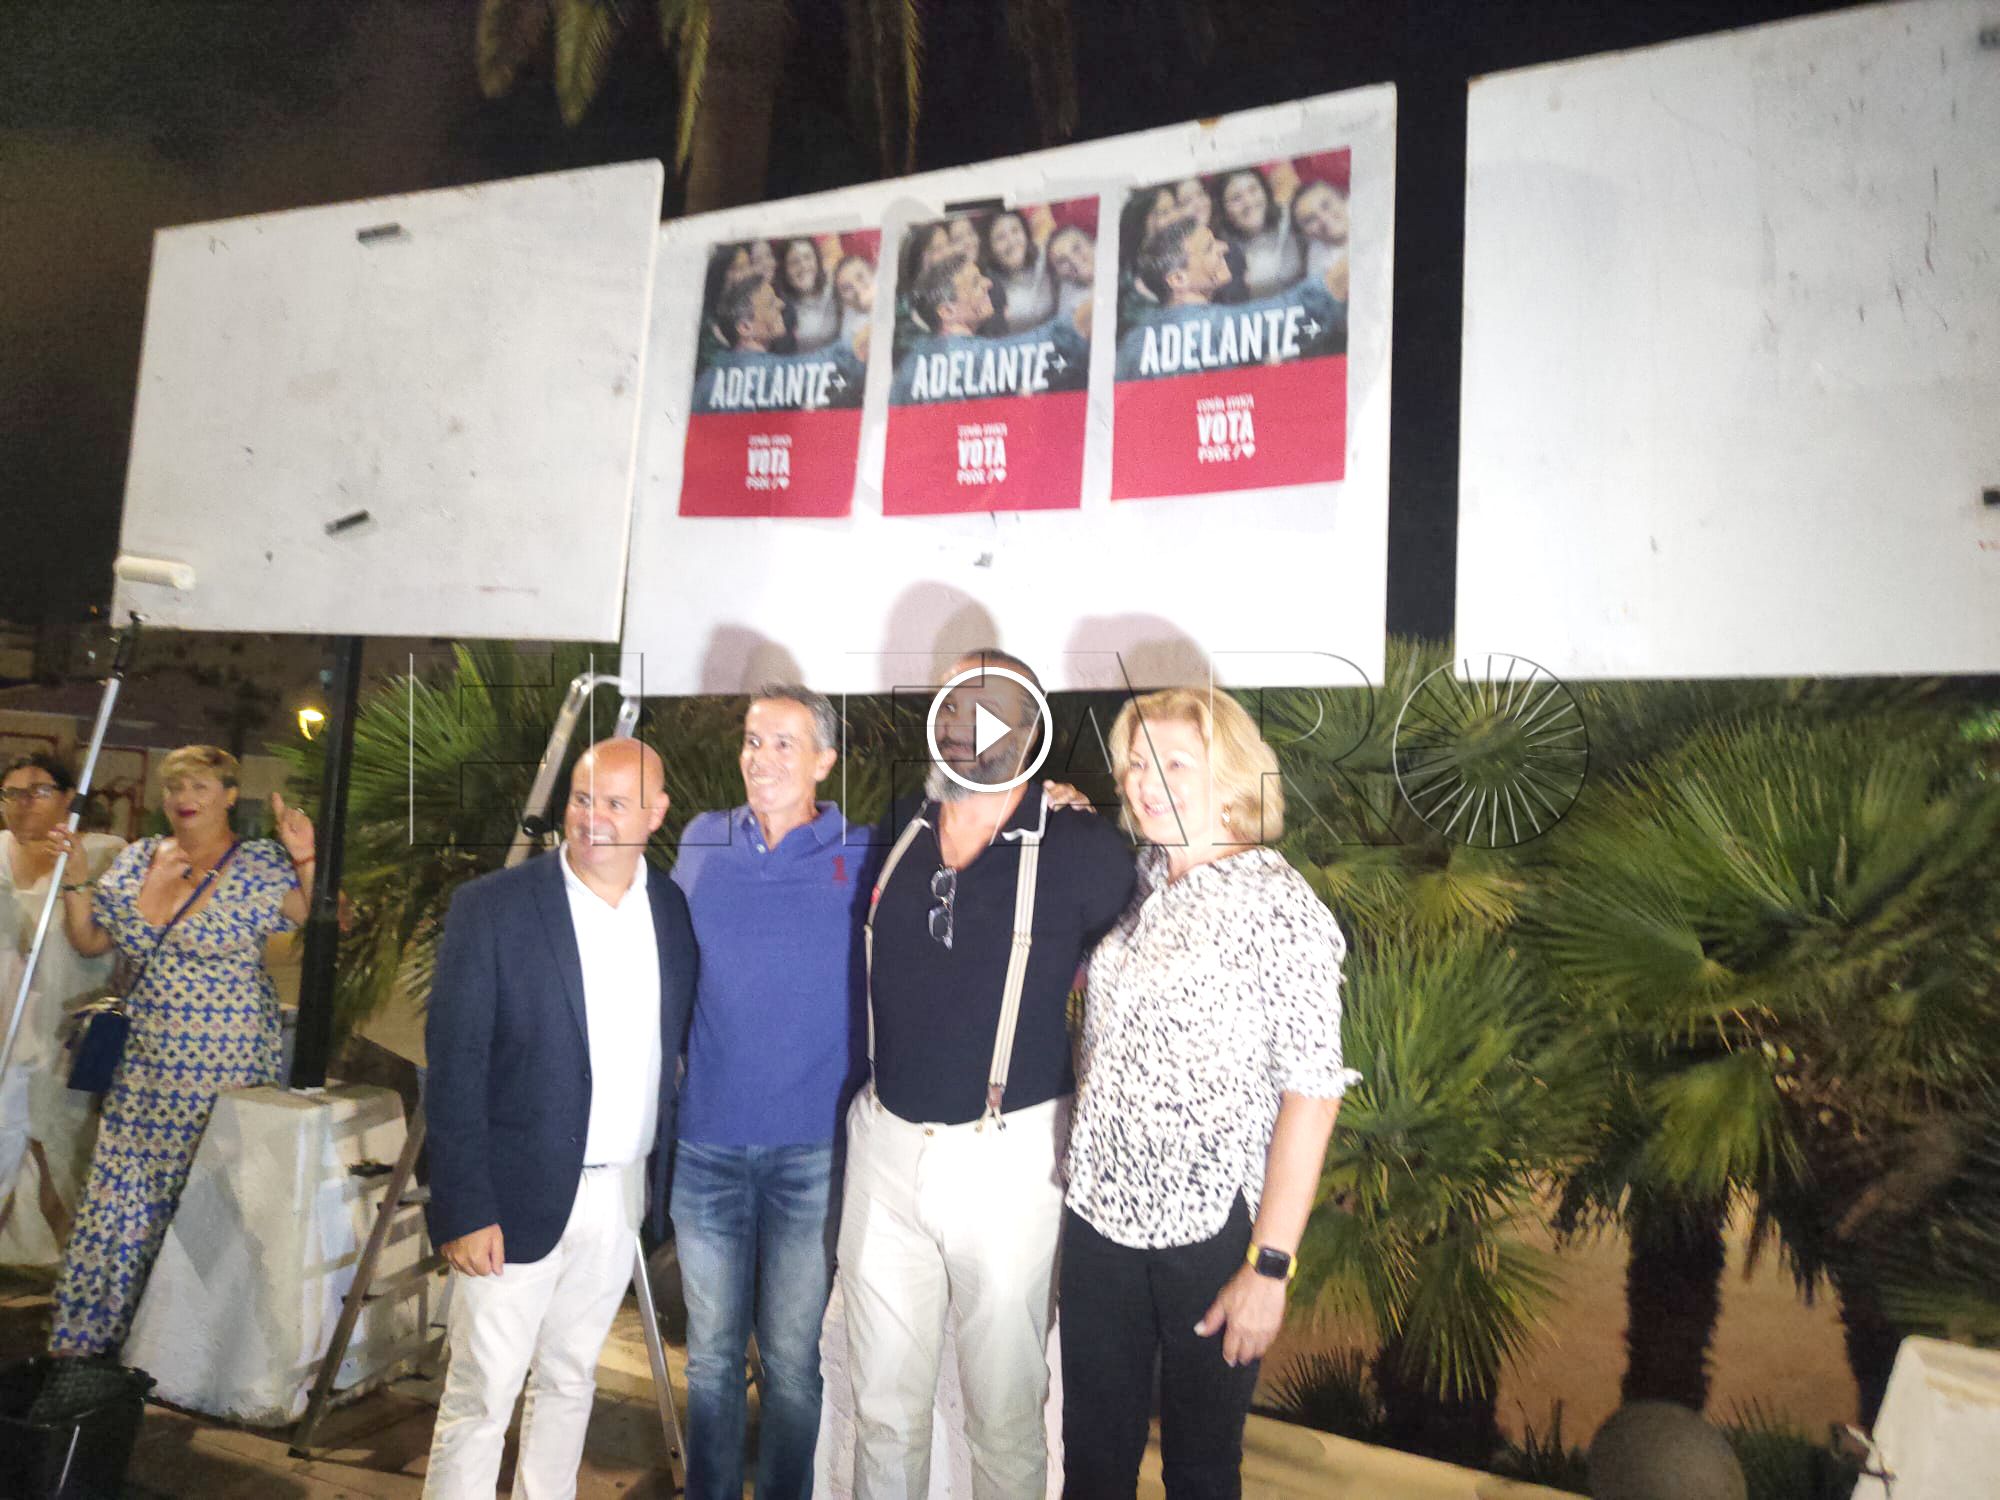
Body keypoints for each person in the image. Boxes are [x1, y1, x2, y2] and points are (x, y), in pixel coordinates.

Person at [840, 651, 1136, 1500]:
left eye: (989, 706)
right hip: (884, 1149)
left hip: (1005, 1161)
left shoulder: (1082, 849)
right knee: (883, 1409)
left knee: (1004, 1419)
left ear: (1029, 727)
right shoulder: (904, 823)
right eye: (953, 705)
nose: (966, 722)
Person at [1061, 688, 1358, 1499]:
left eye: (1174, 763)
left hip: (1210, 1230)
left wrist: (1270, 1267)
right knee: (1091, 1464)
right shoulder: (1145, 879)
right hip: (1098, 1217)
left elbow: (1313, 1093)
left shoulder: (1278, 904)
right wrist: (1067, 819)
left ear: (1230, 775)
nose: (1145, 781)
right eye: (1135, 763)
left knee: (1199, 1470)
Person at [422, 737, 696, 1500]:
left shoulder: (670, 911)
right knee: (482, 1395)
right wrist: (465, 1207)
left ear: (655, 813)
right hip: (510, 1199)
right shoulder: (493, 908)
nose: (592, 817)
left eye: (616, 803)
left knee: (572, 1379)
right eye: (582, 798)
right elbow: (455, 1068)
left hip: (620, 1194)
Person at [668, 686, 872, 1500]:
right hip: (706, 1142)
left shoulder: (865, 853)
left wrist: (1052, 803)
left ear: (824, 761)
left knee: (791, 1362)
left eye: (784, 743)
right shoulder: (702, 841)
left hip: (811, 1152)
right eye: (753, 741)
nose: (761, 758)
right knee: (712, 1359)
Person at [45, 745, 315, 1355]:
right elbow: (89, 940)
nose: (184, 798)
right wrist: (76, 878)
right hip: (144, 1058)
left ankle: (186, 1350)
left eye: (199, 786)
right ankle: (95, 1337)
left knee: (205, 1191)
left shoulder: (257, 863)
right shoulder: (139, 857)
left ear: (229, 796)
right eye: (174, 788)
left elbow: (325, 916)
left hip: (225, 1062)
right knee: (121, 1193)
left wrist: (304, 856)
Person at [0, 755, 124, 1261]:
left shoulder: (104, 854)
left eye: (39, 791)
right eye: (11, 793)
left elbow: (103, 940)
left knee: (61, 1136)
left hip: (64, 1024)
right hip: (5, 1025)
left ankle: (65, 1256)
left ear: (70, 797)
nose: (23, 803)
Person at [1114, 215, 1347, 382]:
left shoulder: (1131, 344)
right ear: (1178, 279)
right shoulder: (1212, 326)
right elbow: (1303, 310)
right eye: (1208, 248)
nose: (1223, 247)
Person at [890, 253, 1089, 406]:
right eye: (975, 282)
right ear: (948, 311)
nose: (988, 283)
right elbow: (1053, 341)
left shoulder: (908, 366)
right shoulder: (972, 355)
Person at [694, 275, 867, 416]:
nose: (781, 304)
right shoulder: (765, 371)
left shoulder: (705, 380)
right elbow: (835, 362)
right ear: (745, 327)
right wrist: (866, 335)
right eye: (770, 303)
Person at [1215, 167, 1304, 300]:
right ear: (1225, 211)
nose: (1248, 202)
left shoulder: (1291, 220)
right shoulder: (1225, 252)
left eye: (1253, 190)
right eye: (1236, 198)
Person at [984, 211, 1057, 333]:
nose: (1011, 242)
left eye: (1015, 231)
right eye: (1001, 237)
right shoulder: (988, 287)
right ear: (990, 249)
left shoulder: (1045, 259)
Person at [778, 237, 841, 353]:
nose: (803, 266)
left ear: (817, 260)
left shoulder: (835, 287)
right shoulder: (782, 308)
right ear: (785, 271)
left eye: (807, 257)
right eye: (794, 262)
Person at [1293, 177, 1350, 282]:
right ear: (1305, 234)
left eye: (1326, 205)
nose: (1324, 219)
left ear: (1343, 198)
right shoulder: (1318, 267)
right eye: (1310, 219)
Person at [1046, 225, 1095, 322]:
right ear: (1057, 273)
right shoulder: (1069, 308)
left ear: (1091, 243)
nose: (1074, 261)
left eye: (1076, 248)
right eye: (1062, 261)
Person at [834, 253, 876, 348]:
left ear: (873, 273)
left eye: (860, 277)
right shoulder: (850, 336)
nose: (857, 289)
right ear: (843, 299)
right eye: (847, 288)